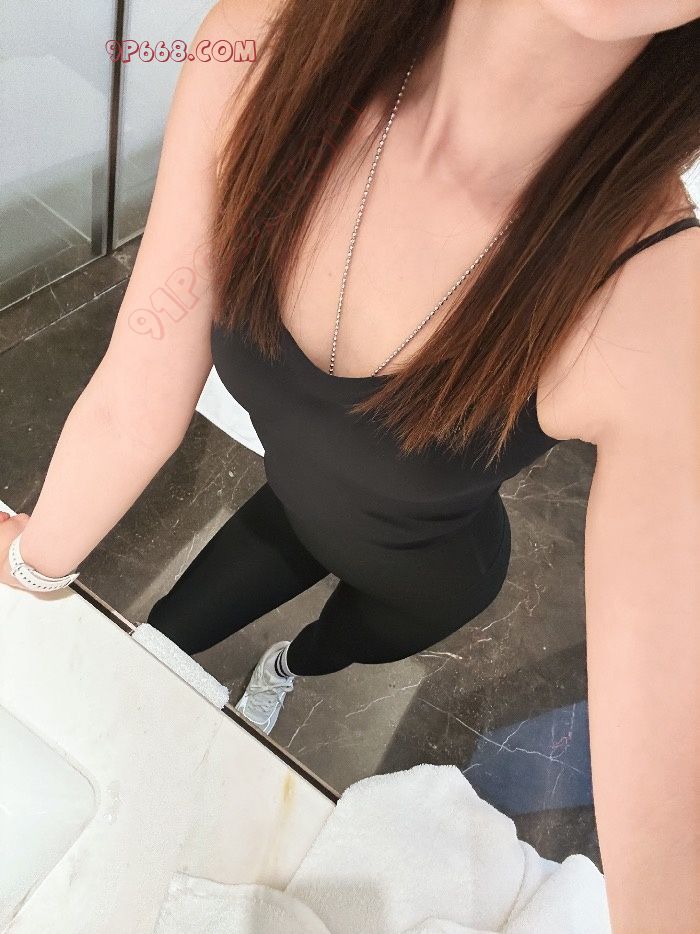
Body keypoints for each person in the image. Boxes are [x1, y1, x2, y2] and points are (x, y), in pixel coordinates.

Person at [1, 1, 698, 929]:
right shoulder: (266, 47)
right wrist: (29, 565)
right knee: (161, 640)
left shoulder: (661, 296)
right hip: (292, 505)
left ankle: (289, 667)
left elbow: (669, 816)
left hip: (431, 574)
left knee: (332, 644)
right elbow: (136, 392)